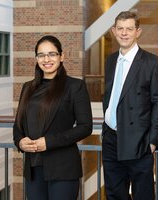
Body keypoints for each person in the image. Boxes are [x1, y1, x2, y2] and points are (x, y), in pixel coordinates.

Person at [13, 35, 93, 200]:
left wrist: (48, 142)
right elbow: (18, 126)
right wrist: (20, 141)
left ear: (61, 56)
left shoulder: (75, 86)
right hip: (33, 169)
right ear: (36, 58)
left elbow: (85, 127)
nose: (46, 59)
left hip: (63, 169)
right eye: (41, 55)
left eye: (52, 54)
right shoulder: (27, 88)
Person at [101, 11, 158, 200]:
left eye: (129, 29)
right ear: (114, 31)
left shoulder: (152, 63)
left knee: (142, 196)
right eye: (120, 29)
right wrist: (105, 128)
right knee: (115, 195)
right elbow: (110, 97)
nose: (124, 33)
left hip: (139, 142)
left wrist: (153, 142)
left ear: (137, 32)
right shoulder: (111, 60)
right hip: (111, 139)